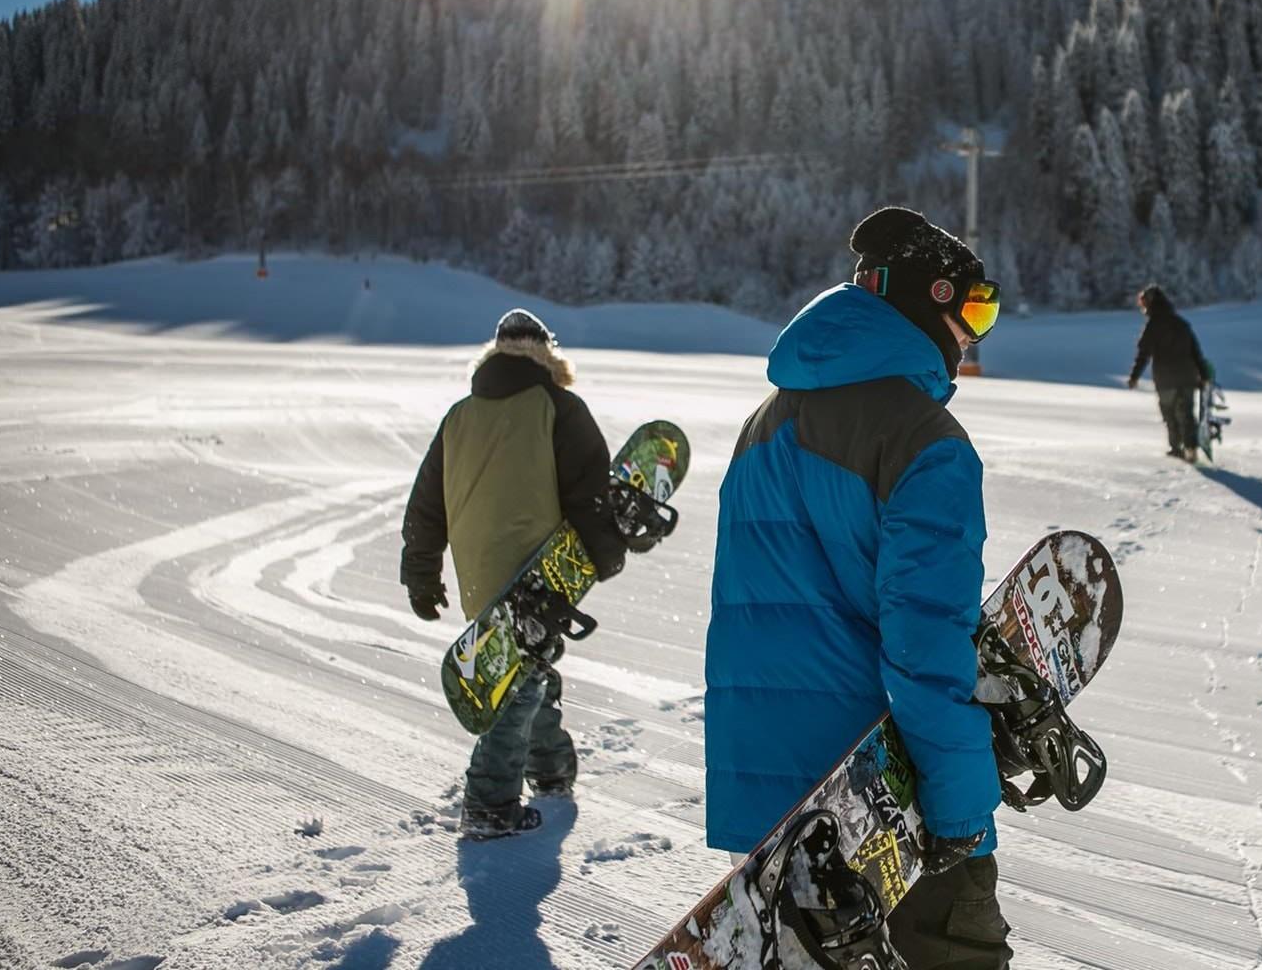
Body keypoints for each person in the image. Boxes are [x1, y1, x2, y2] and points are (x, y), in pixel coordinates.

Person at [707, 206, 1010, 966]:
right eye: (976, 307)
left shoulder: (763, 423)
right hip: (883, 805)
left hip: (775, 806)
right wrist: (961, 808)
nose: (977, 333)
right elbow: (926, 640)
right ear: (927, 300)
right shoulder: (924, 441)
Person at [400, 309, 632, 840]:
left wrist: (421, 573)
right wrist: (606, 552)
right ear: (547, 354)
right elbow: (589, 494)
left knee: (526, 669)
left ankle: (551, 771)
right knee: (516, 686)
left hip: (478, 574)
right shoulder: (558, 407)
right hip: (538, 572)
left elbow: (426, 505)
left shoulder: (459, 415)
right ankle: (488, 801)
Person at [1127, 284, 1209, 460]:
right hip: (1187, 376)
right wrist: (1204, 375)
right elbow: (1195, 352)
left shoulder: (1152, 326)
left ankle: (1176, 447)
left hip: (1165, 379)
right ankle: (1191, 449)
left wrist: (1134, 377)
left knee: (1170, 414)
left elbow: (1143, 354)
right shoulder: (1182, 324)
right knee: (1186, 413)